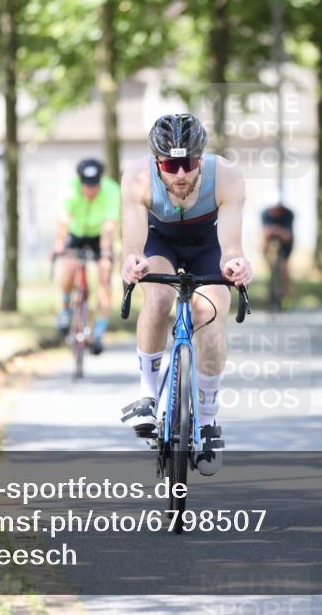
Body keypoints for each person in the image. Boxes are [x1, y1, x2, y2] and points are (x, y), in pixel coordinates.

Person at [118, 113, 252, 476]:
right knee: (159, 298)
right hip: (159, 240)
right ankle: (148, 395)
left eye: (189, 163)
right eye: (171, 164)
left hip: (208, 243)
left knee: (208, 313)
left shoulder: (225, 176)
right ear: (157, 161)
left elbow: (231, 247)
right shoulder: (137, 178)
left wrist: (236, 265)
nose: (180, 174)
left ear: (202, 159)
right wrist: (132, 264)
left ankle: (207, 421)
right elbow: (133, 246)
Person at [53, 158, 120, 355]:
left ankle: (99, 329)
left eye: (94, 186)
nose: (90, 191)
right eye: (86, 186)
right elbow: (64, 219)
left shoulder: (111, 190)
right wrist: (59, 244)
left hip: (100, 236)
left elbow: (110, 224)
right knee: (69, 266)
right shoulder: (70, 188)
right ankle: (66, 308)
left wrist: (106, 252)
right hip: (76, 233)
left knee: (105, 272)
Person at [260, 202, 295, 306]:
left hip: (285, 242)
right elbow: (264, 233)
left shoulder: (288, 214)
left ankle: (287, 297)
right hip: (270, 239)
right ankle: (270, 291)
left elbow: (288, 236)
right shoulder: (265, 213)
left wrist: (276, 231)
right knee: (263, 245)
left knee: (284, 267)